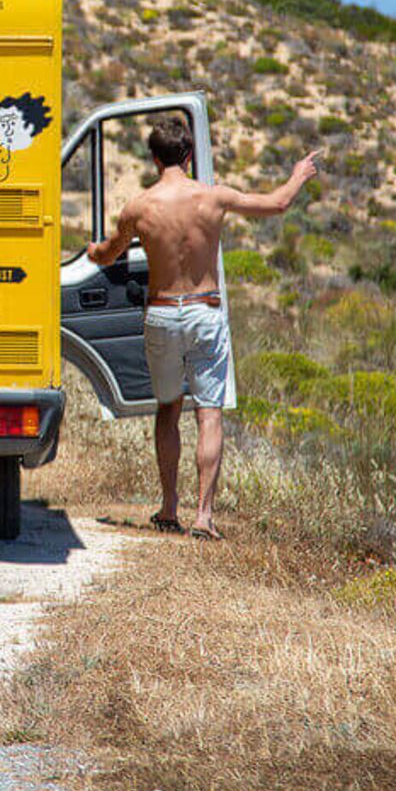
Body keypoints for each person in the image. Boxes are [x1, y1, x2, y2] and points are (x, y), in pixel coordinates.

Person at [86, 122, 320, 538]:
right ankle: (203, 516)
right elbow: (279, 204)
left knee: (168, 409)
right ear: (189, 156)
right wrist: (299, 174)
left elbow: (107, 256)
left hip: (161, 313)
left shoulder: (138, 207)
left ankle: (168, 507)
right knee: (208, 411)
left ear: (155, 159)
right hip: (204, 311)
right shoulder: (213, 197)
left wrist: (92, 250)